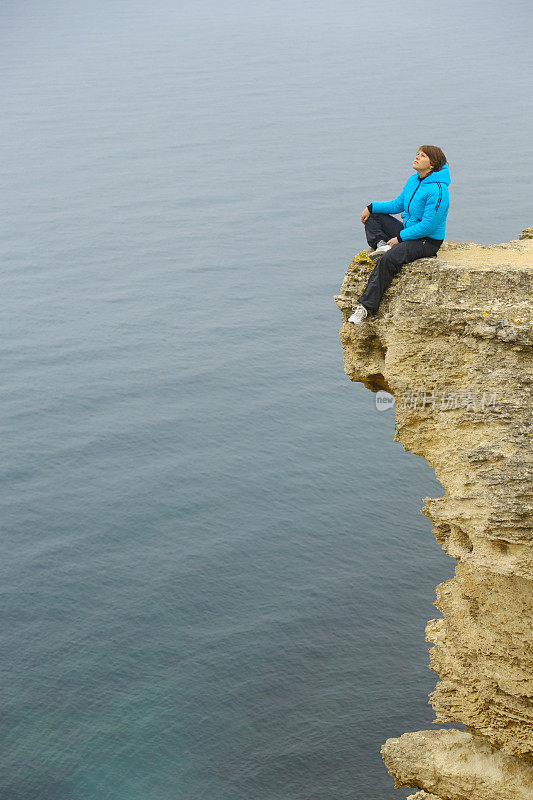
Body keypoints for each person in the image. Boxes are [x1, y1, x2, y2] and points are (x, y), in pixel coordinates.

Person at [348, 146, 450, 324]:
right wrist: (371, 207)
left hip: (427, 241)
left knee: (388, 259)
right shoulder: (413, 180)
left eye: (423, 155)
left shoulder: (439, 190)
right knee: (374, 217)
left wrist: (400, 238)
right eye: (417, 154)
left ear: (432, 164)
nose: (417, 157)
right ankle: (381, 245)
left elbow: (427, 226)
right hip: (409, 232)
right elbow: (397, 205)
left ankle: (365, 307)